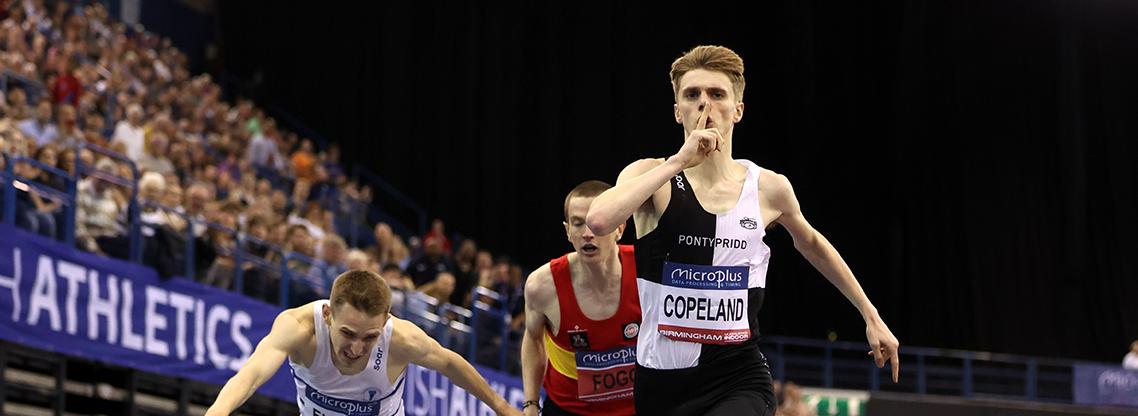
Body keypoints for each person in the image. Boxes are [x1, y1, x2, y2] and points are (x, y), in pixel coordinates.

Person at [586, 45, 901, 416]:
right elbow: (600, 220)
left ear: (738, 110)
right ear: (677, 111)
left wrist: (870, 314)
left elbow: (813, 245)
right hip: (661, 382)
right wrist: (680, 161)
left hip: (737, 376)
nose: (705, 105)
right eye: (692, 95)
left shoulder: (768, 188)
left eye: (717, 94)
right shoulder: (651, 176)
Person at [205, 270, 520, 416]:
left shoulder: (402, 338)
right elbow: (251, 375)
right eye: (348, 334)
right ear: (328, 314)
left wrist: (503, 408)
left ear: (384, 322)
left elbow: (451, 364)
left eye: (370, 337)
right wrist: (218, 412)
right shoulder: (299, 328)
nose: (356, 348)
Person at [521, 180, 639, 416]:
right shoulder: (542, 286)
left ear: (620, 228)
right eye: (578, 224)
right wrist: (531, 404)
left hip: (638, 408)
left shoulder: (647, 271)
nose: (587, 234)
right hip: (568, 409)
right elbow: (533, 339)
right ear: (567, 231)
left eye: (597, 223)